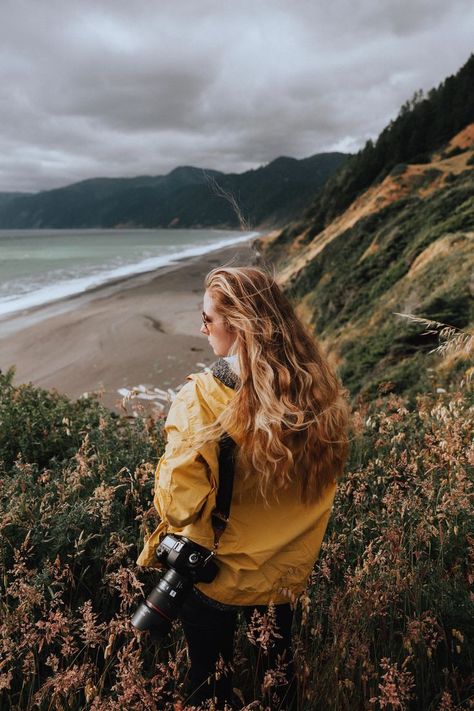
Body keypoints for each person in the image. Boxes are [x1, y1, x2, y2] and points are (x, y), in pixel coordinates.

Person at [137, 266, 350, 710]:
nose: (202, 327)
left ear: (238, 323)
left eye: (208, 319)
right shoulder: (319, 392)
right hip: (285, 573)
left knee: (206, 687)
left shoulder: (202, 397)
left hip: (217, 576)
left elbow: (180, 506)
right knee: (278, 682)